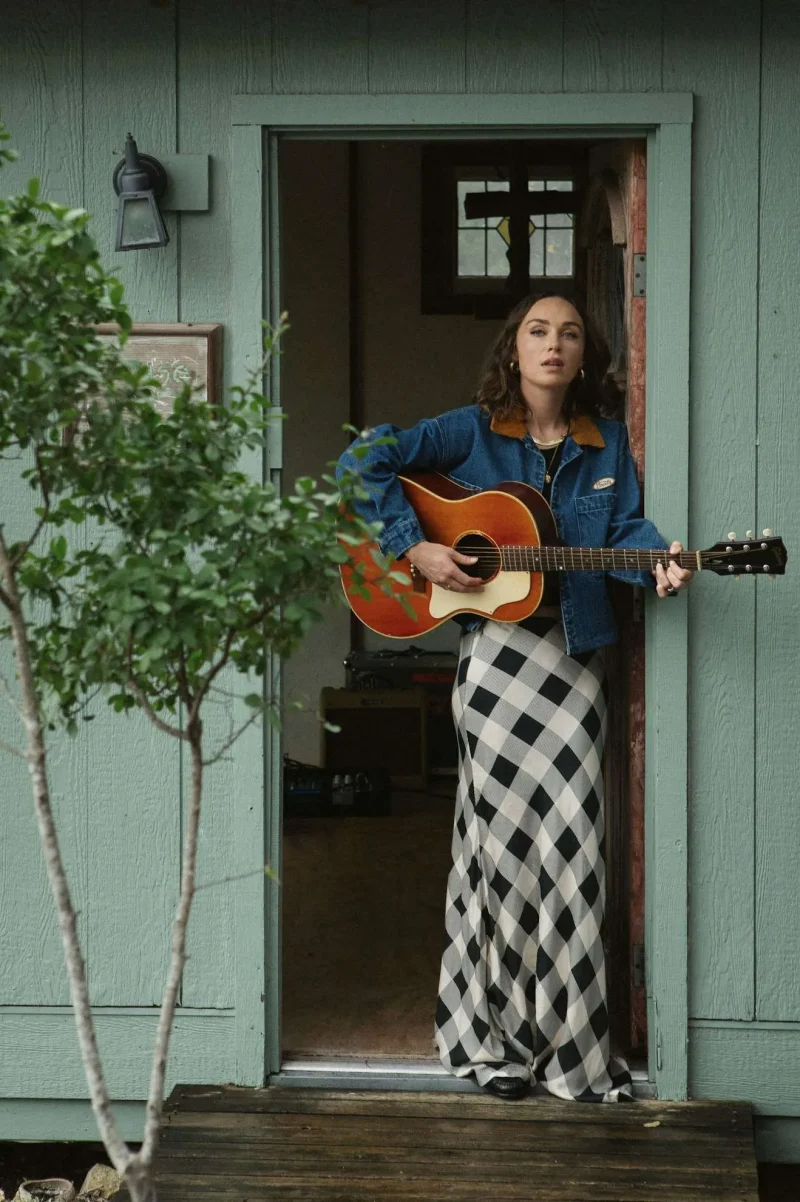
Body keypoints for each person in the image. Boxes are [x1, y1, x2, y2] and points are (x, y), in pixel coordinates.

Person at [337, 292, 693, 1103]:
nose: (554, 344)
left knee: (573, 859)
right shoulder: (467, 431)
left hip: (573, 667)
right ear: (514, 348)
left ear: (584, 355)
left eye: (570, 333)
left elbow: (623, 531)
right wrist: (415, 547)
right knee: (495, 858)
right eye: (539, 330)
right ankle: (487, 1040)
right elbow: (361, 461)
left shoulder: (608, 443)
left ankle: (572, 1056)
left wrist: (663, 560)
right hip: (496, 665)